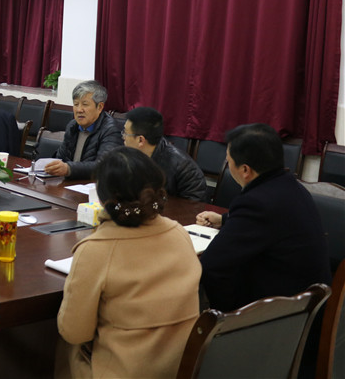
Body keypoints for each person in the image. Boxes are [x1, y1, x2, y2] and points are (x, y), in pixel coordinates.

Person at [57, 147, 201, 379]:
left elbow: (74, 332)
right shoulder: (179, 234)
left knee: (62, 347)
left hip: (123, 371)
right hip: (180, 369)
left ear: (103, 197)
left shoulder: (95, 250)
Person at [196, 123, 331, 312]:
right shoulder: (291, 187)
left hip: (280, 314)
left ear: (245, 170)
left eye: (228, 159)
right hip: (309, 304)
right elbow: (273, 224)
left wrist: (225, 316)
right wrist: (224, 220)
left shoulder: (256, 203)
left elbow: (211, 266)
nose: (227, 164)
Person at [123, 107, 207, 201]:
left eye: (125, 133)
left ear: (140, 140)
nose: (123, 137)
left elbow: (195, 205)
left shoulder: (183, 167)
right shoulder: (128, 156)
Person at [44, 80, 122, 179]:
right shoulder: (73, 126)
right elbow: (61, 158)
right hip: (70, 183)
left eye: (85, 104)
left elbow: (103, 167)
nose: (79, 110)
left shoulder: (111, 130)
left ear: (100, 107)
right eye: (76, 104)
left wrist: (69, 169)